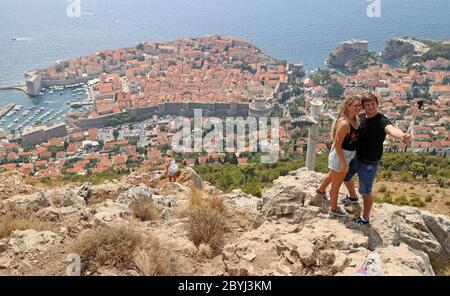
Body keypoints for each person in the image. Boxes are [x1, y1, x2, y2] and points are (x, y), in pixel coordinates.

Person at [342, 93, 410, 225]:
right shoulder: (360, 117)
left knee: (366, 192)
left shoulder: (382, 120)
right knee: (345, 176)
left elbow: (391, 130)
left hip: (370, 163)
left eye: (373, 103)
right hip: (356, 158)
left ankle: (365, 218)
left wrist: (402, 136)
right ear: (363, 106)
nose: (371, 107)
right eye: (367, 104)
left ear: (377, 104)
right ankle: (352, 197)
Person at [316, 96, 361, 217]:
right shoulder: (345, 124)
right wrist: (344, 164)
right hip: (341, 156)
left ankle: (320, 191)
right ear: (348, 107)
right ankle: (334, 209)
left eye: (359, 105)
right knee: (336, 185)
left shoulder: (354, 119)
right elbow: (337, 145)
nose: (358, 108)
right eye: (355, 105)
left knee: (332, 175)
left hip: (347, 155)